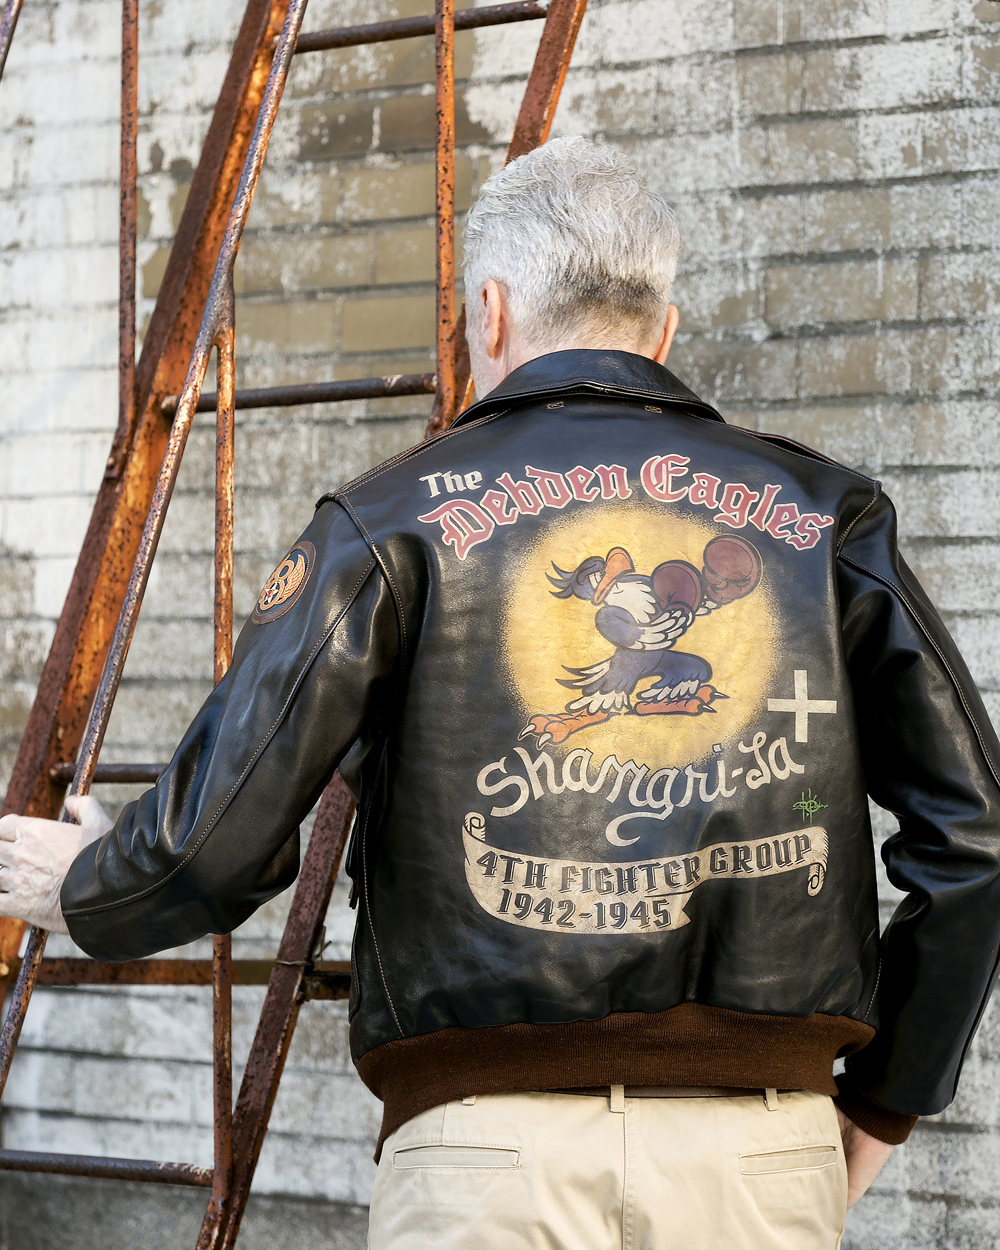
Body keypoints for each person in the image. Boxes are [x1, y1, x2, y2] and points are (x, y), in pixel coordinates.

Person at [2, 136, 999, 1250]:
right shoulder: (825, 516)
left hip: (483, 1158)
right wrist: (886, 1098)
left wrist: (87, 884)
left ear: (490, 311)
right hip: (761, 1154)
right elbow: (976, 837)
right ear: (663, 331)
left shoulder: (387, 523)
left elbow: (218, 835)